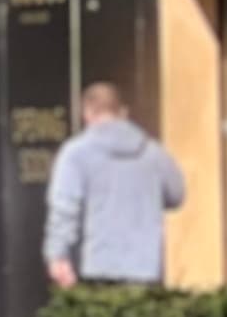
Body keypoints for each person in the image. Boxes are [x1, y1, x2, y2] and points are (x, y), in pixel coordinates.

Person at [43, 83, 187, 290]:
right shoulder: (153, 153)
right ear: (123, 112)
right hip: (145, 266)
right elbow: (177, 194)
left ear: (87, 113)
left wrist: (57, 255)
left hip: (95, 265)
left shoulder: (75, 154)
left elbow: (64, 208)